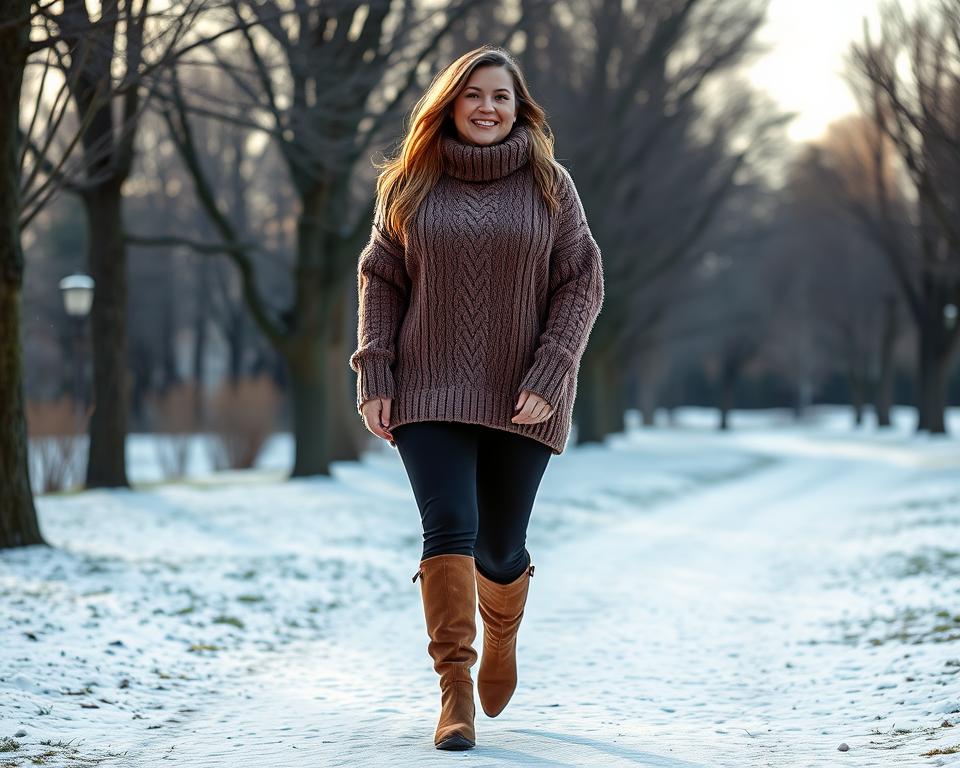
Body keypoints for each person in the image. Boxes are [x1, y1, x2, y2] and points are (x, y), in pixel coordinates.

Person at [348, 45, 604, 751]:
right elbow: (381, 280)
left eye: (501, 97)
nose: (487, 108)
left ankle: (502, 633)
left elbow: (581, 281)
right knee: (450, 524)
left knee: (499, 545)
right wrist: (375, 375)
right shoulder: (411, 182)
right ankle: (454, 691)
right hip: (427, 386)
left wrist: (551, 373)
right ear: (450, 104)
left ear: (520, 110)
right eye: (474, 95)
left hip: (524, 392)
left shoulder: (550, 185)